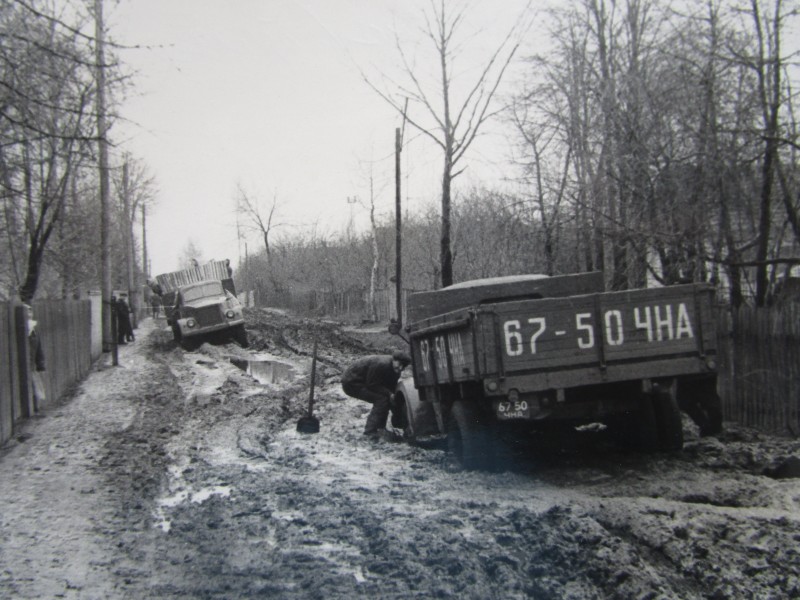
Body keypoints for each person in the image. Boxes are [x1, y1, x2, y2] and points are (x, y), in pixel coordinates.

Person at [341, 351, 412, 438]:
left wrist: (397, 410)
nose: (401, 368)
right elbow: (371, 384)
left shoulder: (395, 370)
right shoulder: (381, 364)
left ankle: (381, 428)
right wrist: (389, 394)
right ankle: (370, 431)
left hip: (365, 382)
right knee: (381, 399)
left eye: (404, 366)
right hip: (351, 382)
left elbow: (391, 389)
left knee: (388, 398)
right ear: (394, 359)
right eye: (400, 364)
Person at [25, 304, 46, 410]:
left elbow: (39, 349)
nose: (29, 314)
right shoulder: (22, 330)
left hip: (32, 365)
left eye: (30, 312)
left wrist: (41, 365)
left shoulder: (34, 331)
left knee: (35, 386)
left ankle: (36, 408)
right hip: (24, 365)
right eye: (27, 312)